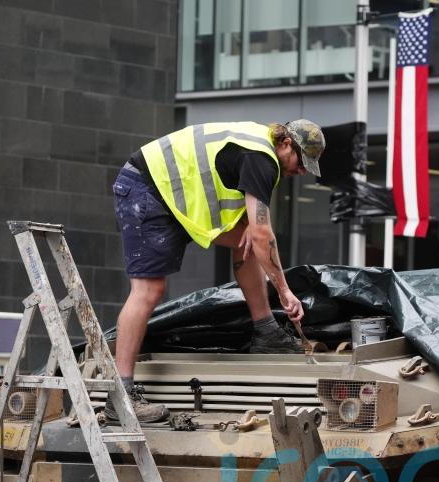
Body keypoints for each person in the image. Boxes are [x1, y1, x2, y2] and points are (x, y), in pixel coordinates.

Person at [105, 120, 326, 422]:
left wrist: (252, 232)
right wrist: (284, 291)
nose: (301, 172)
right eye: (301, 163)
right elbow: (264, 233)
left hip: (170, 193)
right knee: (148, 290)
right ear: (286, 144)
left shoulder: (259, 148)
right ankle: (120, 397)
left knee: (247, 240)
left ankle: (266, 332)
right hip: (146, 188)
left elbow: (255, 232)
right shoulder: (262, 159)